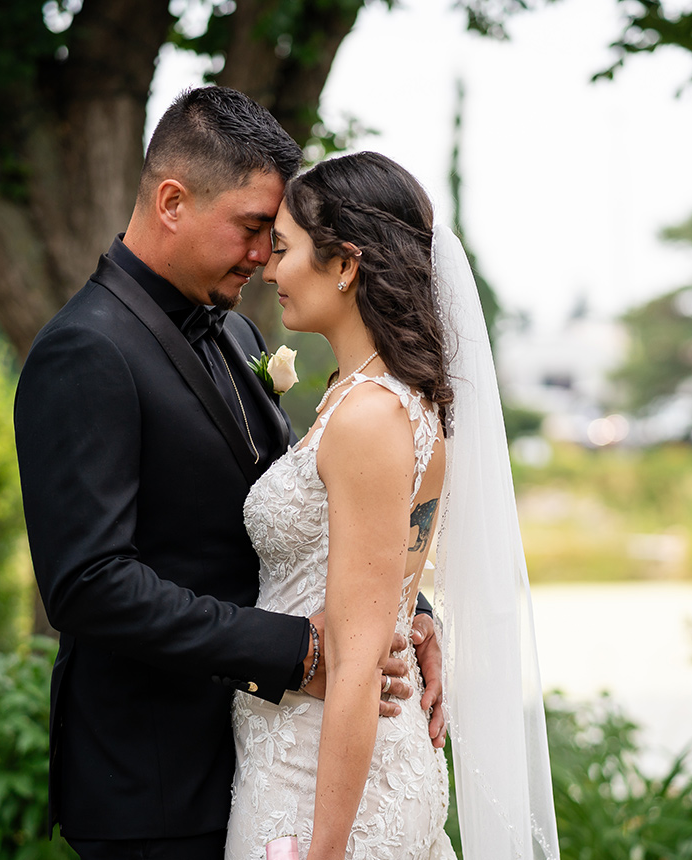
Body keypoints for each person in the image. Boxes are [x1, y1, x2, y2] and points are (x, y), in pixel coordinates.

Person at [13, 87, 442, 860]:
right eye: (251, 229)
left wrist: (400, 613)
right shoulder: (84, 351)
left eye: (274, 237)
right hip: (155, 782)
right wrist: (300, 653)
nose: (263, 257)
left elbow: (310, 518)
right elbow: (87, 583)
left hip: (266, 761)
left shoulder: (238, 328)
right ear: (172, 201)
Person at [224, 152, 560, 860]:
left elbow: (356, 657)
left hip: (318, 776)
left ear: (344, 264)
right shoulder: (377, 401)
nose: (268, 269)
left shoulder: (369, 416)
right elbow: (388, 588)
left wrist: (326, 849)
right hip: (313, 755)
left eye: (283, 249)